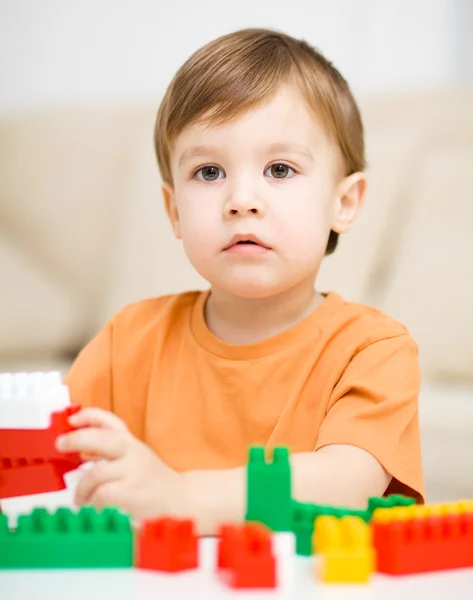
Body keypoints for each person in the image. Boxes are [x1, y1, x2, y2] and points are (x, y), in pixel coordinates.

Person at [56, 28, 424, 534]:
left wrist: (178, 495)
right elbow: (53, 460)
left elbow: (347, 484)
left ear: (344, 202)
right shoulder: (128, 342)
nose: (241, 199)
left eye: (279, 168)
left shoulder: (374, 350)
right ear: (174, 210)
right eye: (209, 172)